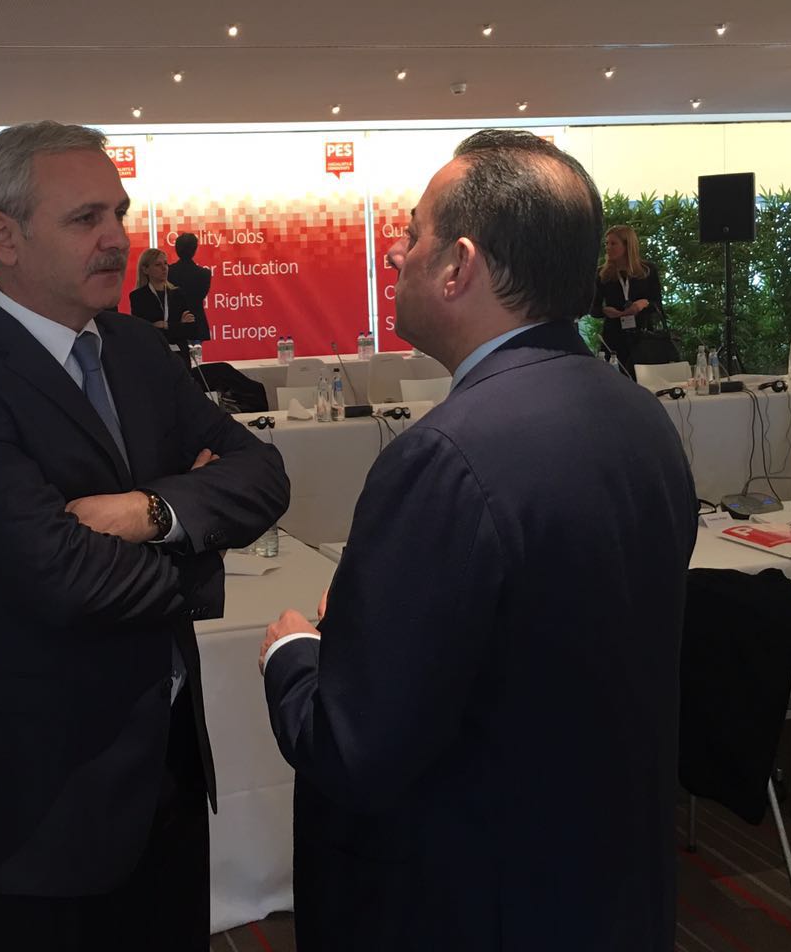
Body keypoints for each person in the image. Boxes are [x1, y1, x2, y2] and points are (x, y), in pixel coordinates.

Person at [259, 129, 696, 950]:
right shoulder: (639, 417)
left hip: (474, 896)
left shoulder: (445, 456)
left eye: (412, 232)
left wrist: (294, 653)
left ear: (459, 265)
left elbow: (355, 747)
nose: (395, 252)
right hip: (606, 881)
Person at [0, 121, 289, 952]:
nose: (117, 238)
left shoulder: (137, 350)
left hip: (167, 767)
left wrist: (150, 513)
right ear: (4, 236)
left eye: (119, 213)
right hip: (35, 796)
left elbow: (263, 472)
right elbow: (63, 579)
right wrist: (202, 559)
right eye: (85, 219)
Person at [593, 223, 663, 375]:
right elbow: (593, 308)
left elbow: (657, 304)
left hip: (643, 337)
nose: (608, 248)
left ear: (627, 246)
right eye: (606, 244)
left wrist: (643, 304)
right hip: (613, 338)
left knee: (644, 380)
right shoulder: (602, 274)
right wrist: (605, 311)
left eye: (613, 243)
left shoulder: (647, 271)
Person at [128, 247, 198, 355]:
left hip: (179, 356)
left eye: (165, 263)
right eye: (158, 265)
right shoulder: (138, 297)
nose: (164, 268)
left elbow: (191, 330)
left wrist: (165, 325)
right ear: (145, 269)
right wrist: (179, 325)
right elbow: (145, 332)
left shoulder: (178, 294)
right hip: (154, 354)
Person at [167, 232, 212, 343]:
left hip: (174, 322)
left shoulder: (168, 272)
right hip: (196, 322)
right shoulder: (204, 274)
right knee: (195, 353)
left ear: (176, 249)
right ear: (194, 250)